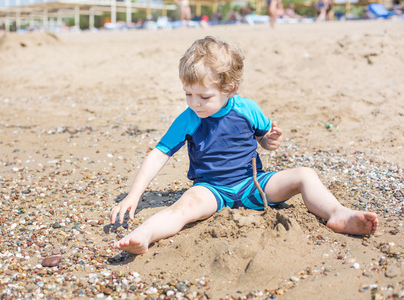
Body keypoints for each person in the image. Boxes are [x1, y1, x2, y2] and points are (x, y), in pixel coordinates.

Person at [110, 36, 378, 255]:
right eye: (188, 94)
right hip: (211, 191)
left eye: (204, 96)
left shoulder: (247, 109)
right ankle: (144, 235)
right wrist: (134, 195)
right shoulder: (188, 118)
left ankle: (338, 213)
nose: (194, 103)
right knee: (181, 209)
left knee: (305, 175)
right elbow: (158, 155)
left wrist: (269, 141)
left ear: (230, 88)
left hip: (254, 184)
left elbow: (263, 138)